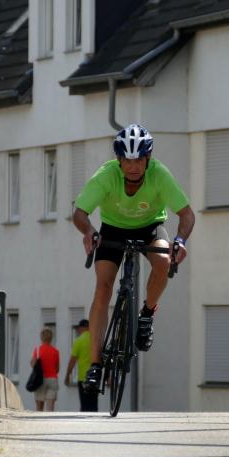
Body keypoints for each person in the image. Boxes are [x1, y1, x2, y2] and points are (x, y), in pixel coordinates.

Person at [72, 123, 195, 393]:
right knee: (103, 288)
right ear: (119, 160)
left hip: (150, 227)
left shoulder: (159, 174)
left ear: (148, 158)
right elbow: (80, 213)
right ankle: (95, 366)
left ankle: (147, 314)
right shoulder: (106, 176)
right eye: (127, 160)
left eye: (139, 160)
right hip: (112, 230)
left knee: (163, 261)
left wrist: (180, 241)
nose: (133, 166)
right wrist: (89, 231)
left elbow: (186, 214)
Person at [65, 319, 98, 411]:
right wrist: (108, 376)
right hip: (95, 376)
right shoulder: (95, 340)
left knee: (84, 404)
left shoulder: (78, 341)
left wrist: (68, 375)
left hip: (83, 378)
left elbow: (72, 361)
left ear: (81, 328)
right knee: (94, 403)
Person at [31, 328, 59, 411]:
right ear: (51, 338)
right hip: (52, 380)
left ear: (41, 337)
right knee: (50, 408)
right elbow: (57, 368)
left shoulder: (37, 350)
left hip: (40, 380)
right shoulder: (55, 351)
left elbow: (33, 365)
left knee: (39, 408)